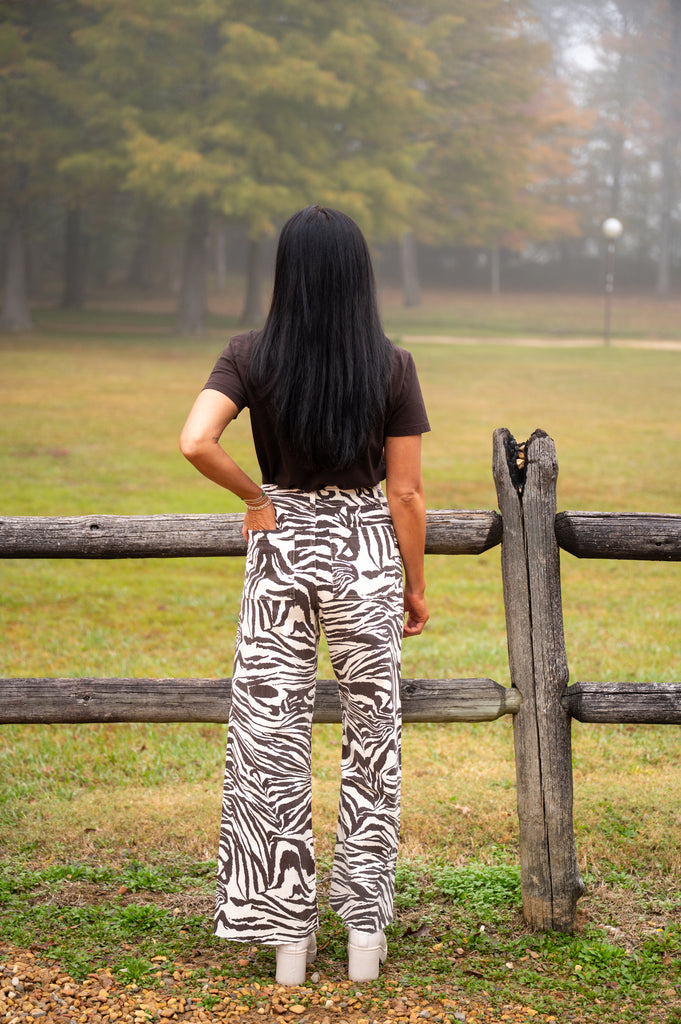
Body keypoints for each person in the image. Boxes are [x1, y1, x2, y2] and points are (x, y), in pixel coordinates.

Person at [180, 205, 430, 986]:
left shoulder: (248, 354)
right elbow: (407, 495)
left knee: (268, 741)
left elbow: (195, 440)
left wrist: (257, 500)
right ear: (359, 275)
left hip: (280, 547)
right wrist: (414, 589)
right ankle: (362, 936)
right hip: (364, 554)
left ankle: (285, 940)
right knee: (373, 743)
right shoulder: (391, 365)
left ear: (286, 272)